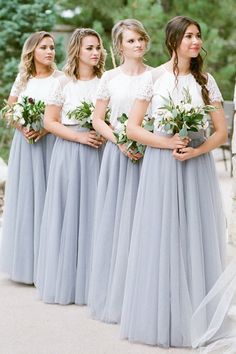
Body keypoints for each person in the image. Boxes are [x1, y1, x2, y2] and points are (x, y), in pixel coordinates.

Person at [120, 16, 227, 348]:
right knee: (163, 235)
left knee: (196, 234)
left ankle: (198, 313)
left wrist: (195, 152)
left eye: (198, 36)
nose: (195, 42)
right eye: (189, 36)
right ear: (174, 41)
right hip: (161, 165)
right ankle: (163, 317)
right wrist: (167, 143)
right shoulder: (153, 79)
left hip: (196, 166)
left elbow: (222, 132)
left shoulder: (206, 81)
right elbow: (133, 128)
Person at [88, 19, 152, 323]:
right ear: (119, 46)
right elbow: (98, 119)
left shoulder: (157, 76)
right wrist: (122, 141)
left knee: (147, 224)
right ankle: (116, 296)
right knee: (117, 223)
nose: (137, 45)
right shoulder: (109, 79)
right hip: (118, 154)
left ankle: (145, 295)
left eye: (141, 39)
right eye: (131, 41)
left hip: (150, 155)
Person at [36, 28, 105, 305]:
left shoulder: (104, 82)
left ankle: (94, 284)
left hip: (99, 152)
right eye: (90, 47)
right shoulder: (63, 84)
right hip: (69, 152)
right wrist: (78, 136)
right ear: (77, 50)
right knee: (69, 214)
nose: (96, 52)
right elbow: (49, 122)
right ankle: (67, 281)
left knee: (96, 213)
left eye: (98, 47)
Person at [0, 31, 62, 284]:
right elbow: (9, 110)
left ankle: (50, 265)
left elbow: (63, 113)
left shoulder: (61, 80)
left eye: (52, 47)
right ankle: (27, 265)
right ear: (32, 51)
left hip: (50, 142)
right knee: (28, 200)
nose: (50, 51)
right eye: (44, 47)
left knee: (50, 200)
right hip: (26, 145)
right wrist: (22, 126)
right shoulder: (23, 80)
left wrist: (44, 128)